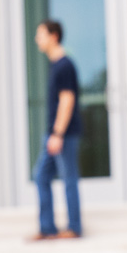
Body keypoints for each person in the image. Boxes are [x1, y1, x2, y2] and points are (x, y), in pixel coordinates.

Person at [32, 20, 84, 241]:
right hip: (54, 133)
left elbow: (67, 100)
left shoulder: (64, 65)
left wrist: (58, 134)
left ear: (54, 36)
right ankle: (47, 228)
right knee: (41, 175)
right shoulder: (56, 65)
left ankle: (73, 227)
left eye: (40, 34)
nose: (37, 39)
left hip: (63, 134)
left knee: (68, 177)